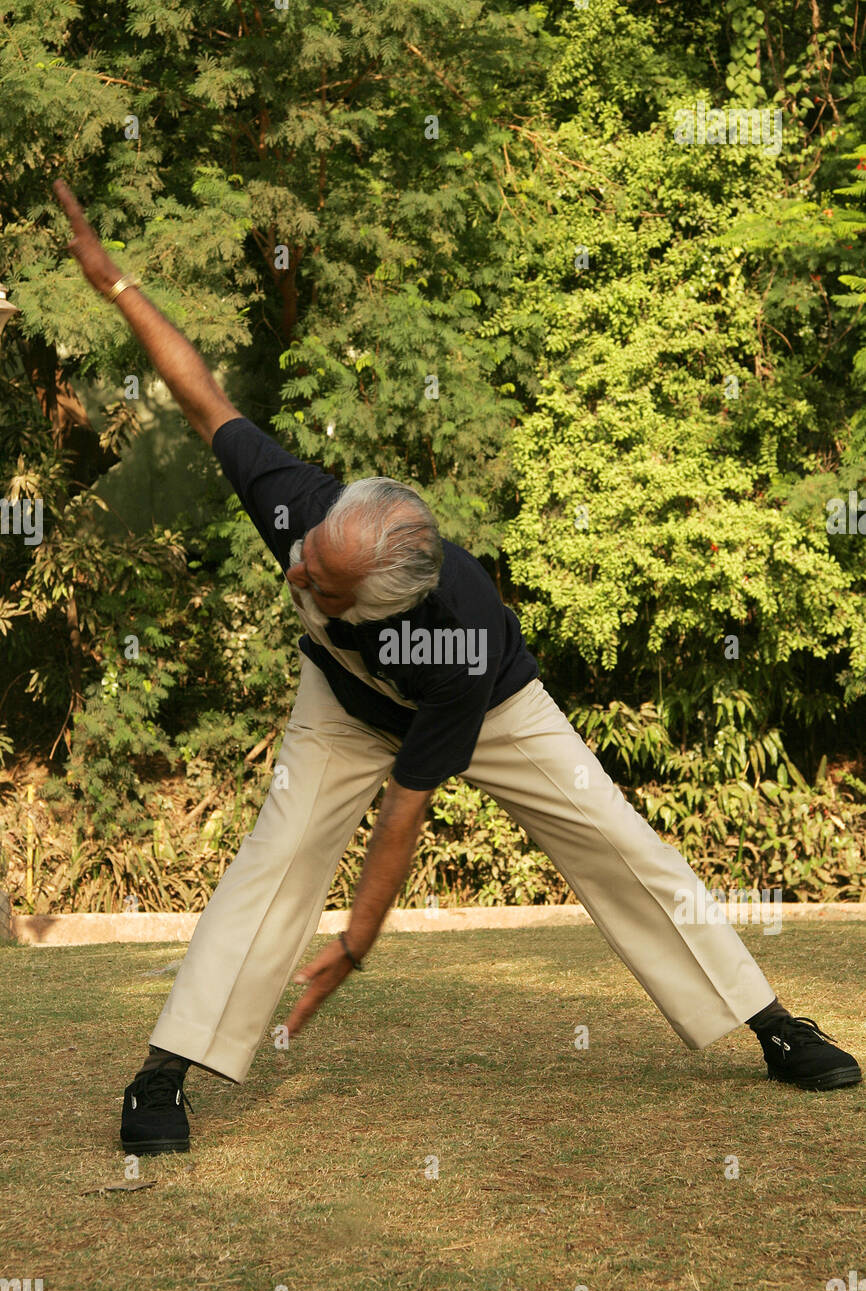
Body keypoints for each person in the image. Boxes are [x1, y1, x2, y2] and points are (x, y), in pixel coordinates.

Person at [50, 179, 862, 1158]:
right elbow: (199, 390)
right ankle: (163, 1073)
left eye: (324, 579)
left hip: (496, 706)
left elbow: (402, 811)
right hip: (341, 703)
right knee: (274, 856)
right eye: (309, 553)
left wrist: (353, 943)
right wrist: (116, 279)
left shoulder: (459, 645)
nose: (298, 568)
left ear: (385, 601)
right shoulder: (296, 505)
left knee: (613, 835)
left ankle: (769, 1022)